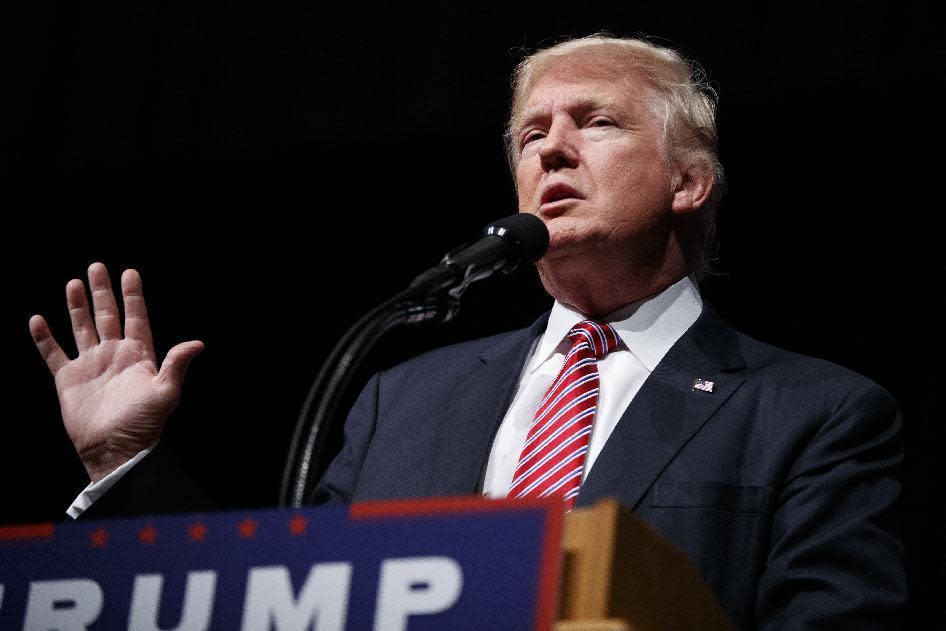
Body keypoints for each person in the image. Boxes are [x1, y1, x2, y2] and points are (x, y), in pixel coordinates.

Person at [30, 36, 906, 628]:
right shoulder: (400, 397)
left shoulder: (814, 415)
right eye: (532, 133)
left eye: (595, 122)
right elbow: (279, 606)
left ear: (688, 181)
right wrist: (127, 462)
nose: (551, 150)